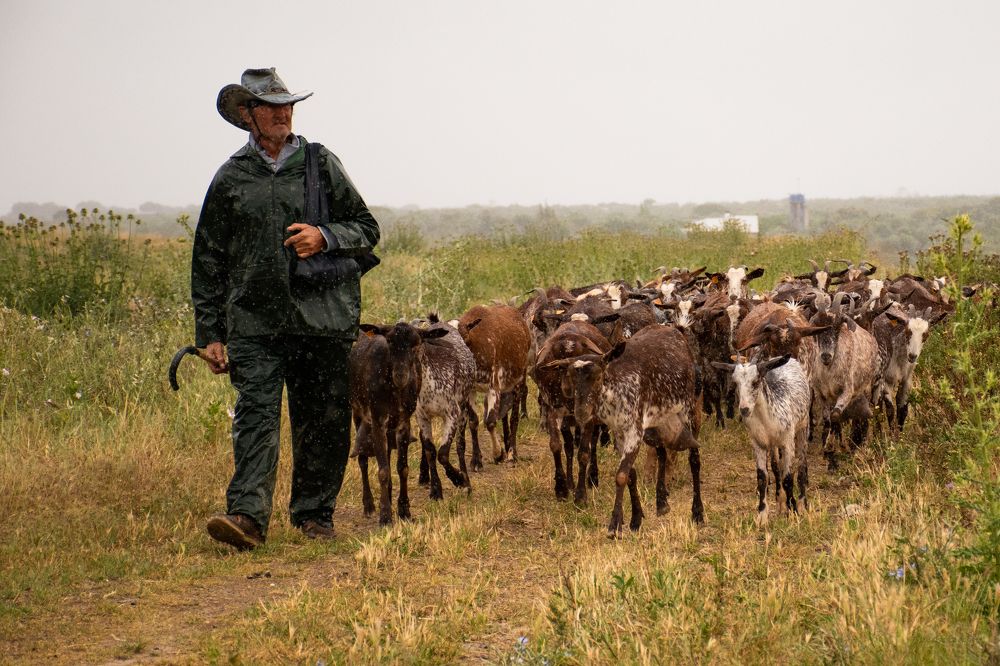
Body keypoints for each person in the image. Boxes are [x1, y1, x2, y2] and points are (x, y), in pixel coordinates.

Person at [192, 67, 380, 550]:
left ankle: (314, 515)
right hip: (253, 323)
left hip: (324, 320)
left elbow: (366, 227)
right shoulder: (231, 177)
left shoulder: (320, 163)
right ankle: (247, 517)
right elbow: (208, 259)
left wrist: (326, 236)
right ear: (247, 114)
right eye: (270, 106)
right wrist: (210, 332)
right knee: (255, 417)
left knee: (322, 419)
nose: (281, 113)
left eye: (287, 104)